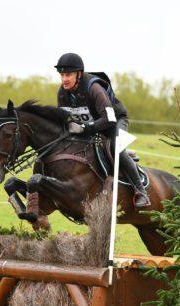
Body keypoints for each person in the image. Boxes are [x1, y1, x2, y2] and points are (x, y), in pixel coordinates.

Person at [54, 52, 151, 209]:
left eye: (68, 74)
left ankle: (140, 191)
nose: (64, 79)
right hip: (93, 125)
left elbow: (109, 119)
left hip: (115, 121)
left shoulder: (94, 88)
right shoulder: (62, 93)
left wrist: (85, 127)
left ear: (78, 74)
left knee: (115, 147)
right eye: (62, 75)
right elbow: (65, 120)